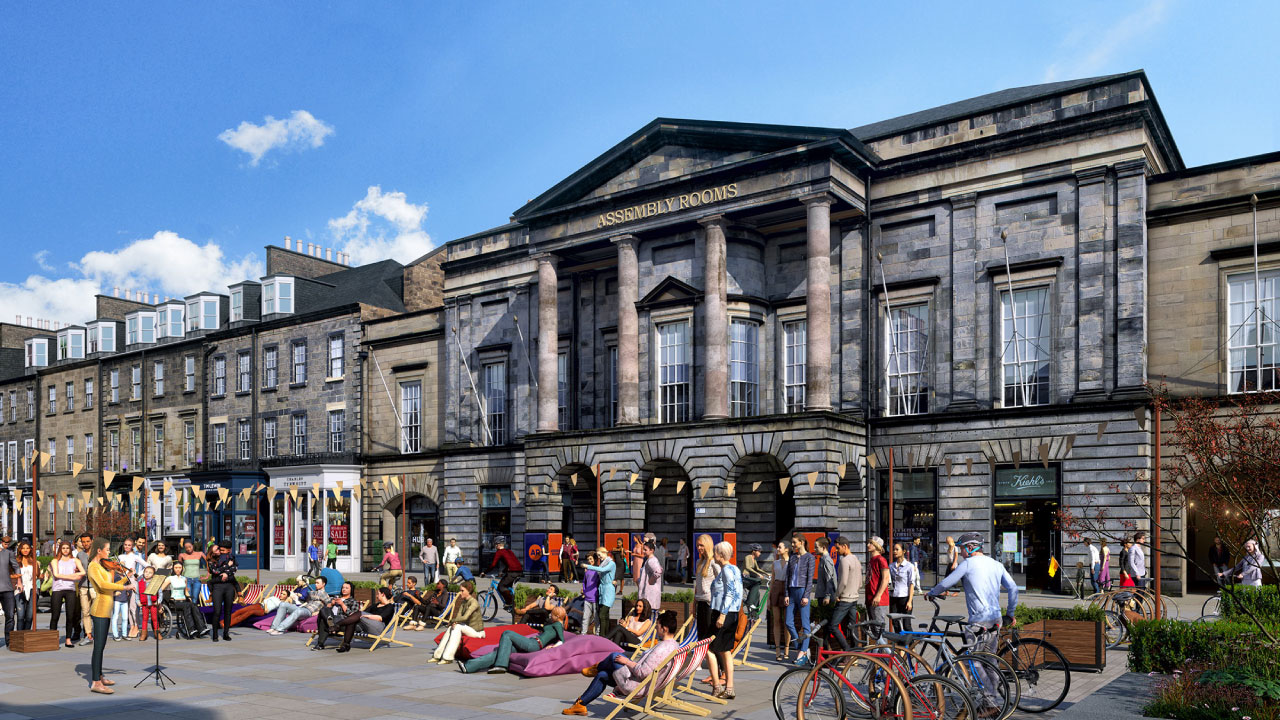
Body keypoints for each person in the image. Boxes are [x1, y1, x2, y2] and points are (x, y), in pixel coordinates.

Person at [925, 531, 1018, 719]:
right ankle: (992, 702)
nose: (961, 551)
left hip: (978, 621)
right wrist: (1011, 613)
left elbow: (946, 583)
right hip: (995, 619)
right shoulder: (996, 564)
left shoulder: (968, 564)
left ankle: (990, 700)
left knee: (974, 662)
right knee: (989, 661)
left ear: (970, 547)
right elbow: (1013, 587)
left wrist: (932, 592)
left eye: (961, 548)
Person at [562, 610, 680, 716]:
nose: (656, 628)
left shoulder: (662, 649)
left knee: (614, 656)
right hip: (645, 683)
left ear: (664, 628)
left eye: (658, 625)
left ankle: (596, 667)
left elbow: (643, 672)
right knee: (602, 675)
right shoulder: (674, 645)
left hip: (636, 685)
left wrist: (627, 662)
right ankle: (581, 704)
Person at [86, 537, 135, 694]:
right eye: (107, 550)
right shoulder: (93, 567)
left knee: (102, 646)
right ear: (99, 550)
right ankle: (95, 683)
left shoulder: (102, 566)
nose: (109, 553)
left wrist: (127, 580)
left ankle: (99, 676)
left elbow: (111, 585)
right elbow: (103, 585)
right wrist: (126, 587)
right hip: (99, 609)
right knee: (98, 647)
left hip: (107, 609)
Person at [461, 606, 568, 674]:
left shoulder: (558, 625)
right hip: (532, 642)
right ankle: (469, 666)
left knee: (507, 633)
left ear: (557, 616)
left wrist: (554, 646)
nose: (550, 615)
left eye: (552, 614)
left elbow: (561, 640)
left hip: (534, 644)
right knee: (500, 651)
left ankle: (501, 665)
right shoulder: (554, 623)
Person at [708, 541, 743, 700]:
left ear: (720, 555)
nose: (714, 555)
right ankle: (729, 688)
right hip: (733, 613)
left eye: (715, 552)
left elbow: (730, 593)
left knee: (710, 648)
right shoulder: (734, 569)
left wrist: (722, 615)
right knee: (726, 651)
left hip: (724, 613)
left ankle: (719, 686)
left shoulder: (726, 571)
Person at [431, 579, 484, 663]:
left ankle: (448, 658)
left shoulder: (474, 603)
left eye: (462, 591)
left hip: (477, 632)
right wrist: (454, 622)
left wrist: (452, 620)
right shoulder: (463, 602)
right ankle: (437, 656)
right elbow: (459, 616)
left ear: (468, 591)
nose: (460, 593)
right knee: (451, 628)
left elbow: (465, 617)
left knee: (457, 627)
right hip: (468, 629)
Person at [783, 534, 816, 665]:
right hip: (791, 591)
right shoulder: (792, 557)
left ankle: (801, 653)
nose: (792, 545)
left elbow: (810, 578)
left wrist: (807, 595)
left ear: (801, 543)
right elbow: (787, 577)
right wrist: (786, 594)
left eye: (794, 542)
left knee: (805, 623)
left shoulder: (810, 558)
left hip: (802, 591)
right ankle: (800, 647)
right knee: (788, 622)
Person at [333, 586, 397, 653]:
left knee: (359, 614)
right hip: (367, 626)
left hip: (378, 627)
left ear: (383, 594)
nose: (377, 596)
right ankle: (345, 645)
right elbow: (363, 613)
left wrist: (367, 616)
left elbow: (380, 618)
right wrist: (362, 615)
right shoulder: (375, 605)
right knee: (352, 621)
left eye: (378, 593)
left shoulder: (389, 607)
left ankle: (337, 625)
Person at [827, 536, 863, 650]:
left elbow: (843, 581)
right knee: (852, 626)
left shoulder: (844, 560)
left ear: (845, 546)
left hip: (845, 599)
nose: (836, 551)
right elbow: (860, 582)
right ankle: (855, 652)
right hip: (854, 597)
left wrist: (837, 594)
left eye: (838, 549)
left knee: (833, 626)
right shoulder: (856, 559)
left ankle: (847, 650)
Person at [49, 540, 85, 647]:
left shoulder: (75, 560)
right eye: (63, 548)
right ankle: (52, 638)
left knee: (70, 615)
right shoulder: (55, 561)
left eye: (67, 548)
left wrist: (66, 576)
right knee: (55, 615)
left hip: (70, 590)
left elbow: (83, 572)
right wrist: (72, 576)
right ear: (60, 549)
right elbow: (56, 575)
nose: (65, 550)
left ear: (70, 549)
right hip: (57, 589)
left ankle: (68, 639)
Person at [207, 541, 238, 642]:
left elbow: (234, 569)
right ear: (212, 551)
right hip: (217, 587)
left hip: (229, 586)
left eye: (220, 549)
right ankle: (215, 634)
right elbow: (215, 571)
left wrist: (225, 574)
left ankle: (226, 633)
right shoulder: (211, 560)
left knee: (228, 611)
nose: (220, 551)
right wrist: (226, 567)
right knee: (217, 611)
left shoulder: (230, 557)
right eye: (218, 549)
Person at [314, 581, 360, 650]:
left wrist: (342, 604)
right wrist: (331, 604)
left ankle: (320, 644)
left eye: (347, 588)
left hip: (341, 622)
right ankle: (331, 625)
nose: (344, 589)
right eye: (343, 588)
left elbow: (352, 615)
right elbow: (325, 610)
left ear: (351, 590)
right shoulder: (336, 598)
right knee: (324, 609)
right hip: (331, 622)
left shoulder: (353, 602)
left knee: (323, 621)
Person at [581, 546, 617, 634]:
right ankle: (606, 635)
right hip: (602, 591)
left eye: (599, 555)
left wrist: (588, 566)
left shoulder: (610, 563)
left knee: (602, 614)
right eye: (598, 555)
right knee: (605, 615)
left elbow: (602, 570)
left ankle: (602, 635)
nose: (599, 557)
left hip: (607, 591)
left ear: (604, 552)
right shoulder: (603, 563)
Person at [692, 534, 719, 643]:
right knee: (701, 634)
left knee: (708, 634)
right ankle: (703, 657)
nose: (699, 548)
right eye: (697, 545)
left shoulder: (713, 562)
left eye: (701, 545)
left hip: (710, 603)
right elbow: (697, 585)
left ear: (708, 545)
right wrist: (694, 604)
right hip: (700, 601)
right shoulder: (699, 562)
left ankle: (711, 658)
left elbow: (721, 581)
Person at [165, 569, 208, 638]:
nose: (178, 569)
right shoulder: (170, 578)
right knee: (187, 605)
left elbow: (186, 591)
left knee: (193, 605)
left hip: (184, 600)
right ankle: (191, 629)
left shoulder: (184, 578)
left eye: (179, 567)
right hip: (174, 601)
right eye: (176, 567)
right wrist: (167, 597)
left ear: (182, 568)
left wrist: (190, 600)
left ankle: (202, 628)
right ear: (173, 568)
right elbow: (161, 589)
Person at [888, 542, 918, 632]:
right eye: (894, 549)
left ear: (904, 551)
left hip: (905, 598)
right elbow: (889, 582)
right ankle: (899, 644)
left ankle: (911, 645)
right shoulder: (891, 566)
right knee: (895, 623)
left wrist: (910, 601)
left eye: (897, 549)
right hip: (893, 597)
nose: (894, 551)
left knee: (906, 624)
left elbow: (912, 583)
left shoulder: (909, 566)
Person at [865, 536, 890, 639]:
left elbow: (886, 579)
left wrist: (878, 595)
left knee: (879, 629)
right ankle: (878, 653)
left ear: (877, 545)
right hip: (870, 597)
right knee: (874, 629)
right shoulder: (872, 560)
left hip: (879, 599)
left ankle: (883, 653)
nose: (868, 545)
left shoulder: (881, 559)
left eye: (870, 543)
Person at [488, 537, 522, 612]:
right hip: (519, 571)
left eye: (495, 545)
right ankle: (511, 603)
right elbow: (510, 563)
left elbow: (493, 564)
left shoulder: (499, 552)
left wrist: (485, 572)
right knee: (507, 587)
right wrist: (503, 572)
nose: (495, 546)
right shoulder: (509, 551)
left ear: (498, 545)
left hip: (513, 572)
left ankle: (510, 603)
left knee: (501, 587)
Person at [74, 532, 95, 646]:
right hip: (83, 585)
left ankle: (98, 632)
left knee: (96, 611)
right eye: (83, 542)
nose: (85, 543)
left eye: (87, 541)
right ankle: (88, 635)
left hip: (94, 586)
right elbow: (77, 568)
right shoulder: (79, 555)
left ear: (92, 541)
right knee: (85, 612)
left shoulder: (98, 553)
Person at [136, 566, 167, 642]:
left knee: (154, 618)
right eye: (146, 572)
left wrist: (158, 601)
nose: (147, 574)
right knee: (144, 619)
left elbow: (160, 593)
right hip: (145, 604)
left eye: (150, 573)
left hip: (153, 604)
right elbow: (137, 594)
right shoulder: (139, 583)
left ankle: (157, 633)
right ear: (143, 573)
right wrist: (137, 601)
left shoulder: (155, 583)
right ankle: (143, 634)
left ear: (153, 575)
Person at [12, 539, 37, 631]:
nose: (25, 550)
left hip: (32, 588)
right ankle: (19, 637)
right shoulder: (16, 561)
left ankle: (26, 636)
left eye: (27, 548)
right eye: (23, 548)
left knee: (30, 616)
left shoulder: (33, 560)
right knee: (20, 616)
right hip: (19, 589)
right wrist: (18, 580)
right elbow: (11, 575)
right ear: (20, 550)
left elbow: (37, 575)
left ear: (30, 549)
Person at [176, 540, 206, 608]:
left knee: (195, 598)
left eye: (190, 547)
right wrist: (179, 578)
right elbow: (178, 567)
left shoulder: (200, 554)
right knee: (188, 598)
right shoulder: (182, 555)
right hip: (186, 580)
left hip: (197, 579)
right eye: (186, 547)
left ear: (193, 546)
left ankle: (194, 615)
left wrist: (207, 575)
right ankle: (188, 616)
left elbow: (209, 562)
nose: (188, 549)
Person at [637, 538, 664, 613]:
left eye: (645, 550)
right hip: (649, 594)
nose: (643, 551)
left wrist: (650, 581)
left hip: (650, 594)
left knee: (649, 617)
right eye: (643, 549)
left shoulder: (651, 560)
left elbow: (658, 571)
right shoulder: (649, 560)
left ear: (652, 550)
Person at [742, 544, 769, 610]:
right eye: (759, 551)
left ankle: (755, 615)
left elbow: (758, 569)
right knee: (757, 581)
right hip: (744, 578)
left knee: (757, 594)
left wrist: (766, 574)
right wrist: (758, 574)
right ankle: (749, 602)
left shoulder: (754, 560)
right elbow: (748, 567)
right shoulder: (748, 557)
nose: (760, 553)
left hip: (749, 578)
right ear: (754, 551)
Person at [814, 536, 837, 607]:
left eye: (816, 547)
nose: (814, 549)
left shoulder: (826, 560)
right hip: (823, 595)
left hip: (826, 597)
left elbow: (829, 579)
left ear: (823, 548)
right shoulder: (823, 559)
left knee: (826, 618)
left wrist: (827, 596)